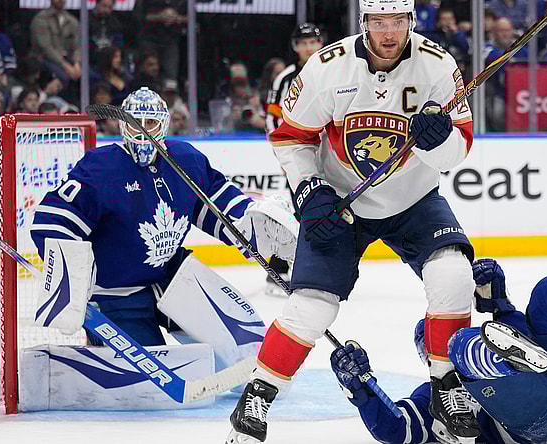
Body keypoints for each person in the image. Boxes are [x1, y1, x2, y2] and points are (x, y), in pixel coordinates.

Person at [228, 0, 476, 442]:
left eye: (397, 21)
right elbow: (291, 137)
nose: (388, 32)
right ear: (364, 22)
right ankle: (258, 395)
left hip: (413, 199)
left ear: (410, 21)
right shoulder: (327, 68)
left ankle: (447, 385)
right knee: (312, 306)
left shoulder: (437, 65)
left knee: (453, 273)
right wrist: (309, 188)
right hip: (342, 201)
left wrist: (438, 141)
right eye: (379, 22)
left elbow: (457, 151)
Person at [30, 87, 299, 380]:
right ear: (123, 126)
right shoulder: (101, 168)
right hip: (116, 294)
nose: (143, 131)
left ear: (164, 124)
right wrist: (70, 285)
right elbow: (52, 223)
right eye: (136, 123)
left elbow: (219, 204)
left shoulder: (185, 159)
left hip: (172, 279)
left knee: (247, 349)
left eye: (150, 123)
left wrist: (253, 224)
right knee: (149, 380)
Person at [330, 239, 547, 444]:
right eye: (433, 346)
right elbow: (395, 429)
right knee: (462, 346)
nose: (436, 351)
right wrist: (359, 388)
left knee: (544, 294)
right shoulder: (434, 398)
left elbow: (531, 345)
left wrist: (500, 305)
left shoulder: (477, 350)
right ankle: (508, 360)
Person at [262, 23, 325, 297]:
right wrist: (283, 152)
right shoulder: (285, 78)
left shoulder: (333, 70)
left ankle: (318, 268)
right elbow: (272, 116)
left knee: (326, 209)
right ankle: (279, 268)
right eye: (303, 43)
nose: (308, 47)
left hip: (328, 153)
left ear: (320, 44)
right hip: (298, 154)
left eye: (313, 42)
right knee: (301, 209)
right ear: (295, 46)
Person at [30, 0, 82, 90]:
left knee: (91, 76)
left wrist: (76, 63)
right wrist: (66, 66)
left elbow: (77, 45)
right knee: (64, 77)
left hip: (68, 59)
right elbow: (46, 48)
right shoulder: (40, 19)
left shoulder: (72, 21)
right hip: (45, 59)